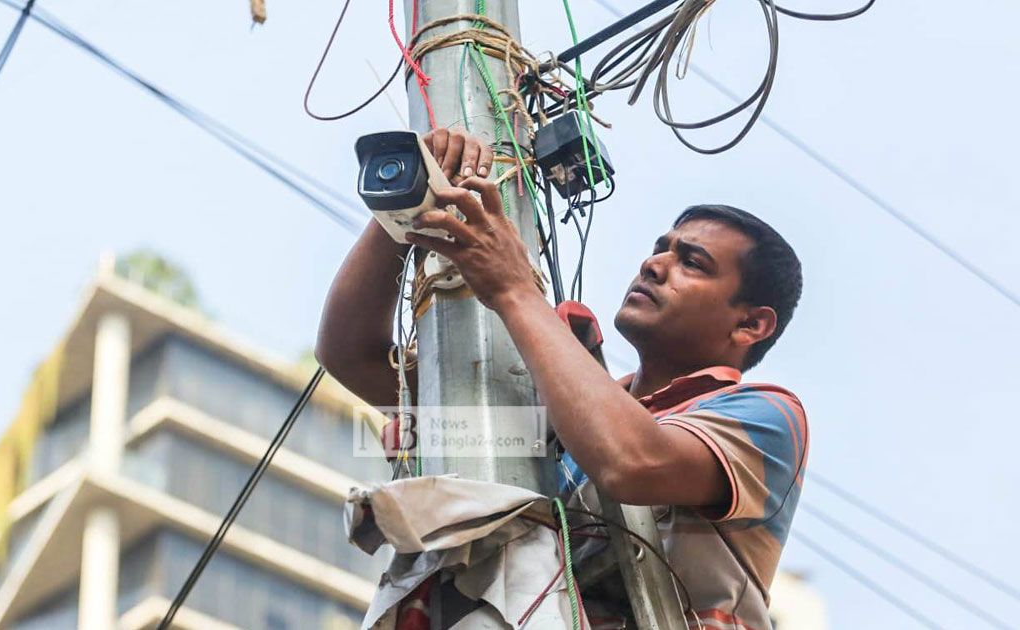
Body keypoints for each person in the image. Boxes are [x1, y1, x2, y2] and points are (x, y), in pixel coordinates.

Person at [316, 128, 807, 630]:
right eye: (662, 248)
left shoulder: (765, 418)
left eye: (692, 263)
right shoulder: (556, 408)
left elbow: (632, 462)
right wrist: (409, 207)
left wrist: (514, 291)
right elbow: (352, 357)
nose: (655, 265)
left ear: (751, 325)